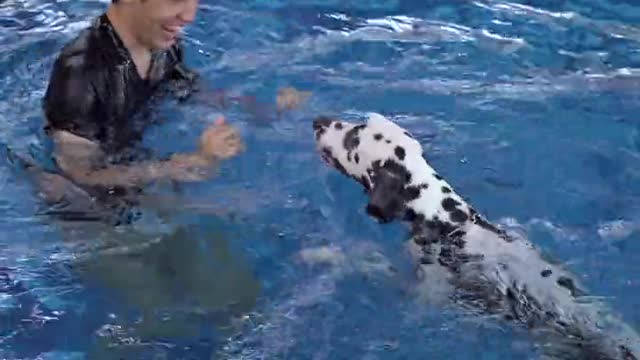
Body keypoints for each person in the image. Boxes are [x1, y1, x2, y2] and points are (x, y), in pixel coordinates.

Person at [43, 0, 241, 192]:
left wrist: (253, 108)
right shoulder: (81, 75)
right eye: (176, 0)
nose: (190, 16)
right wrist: (176, 167)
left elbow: (190, 89)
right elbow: (79, 176)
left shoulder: (161, 43)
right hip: (89, 205)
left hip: (131, 162)